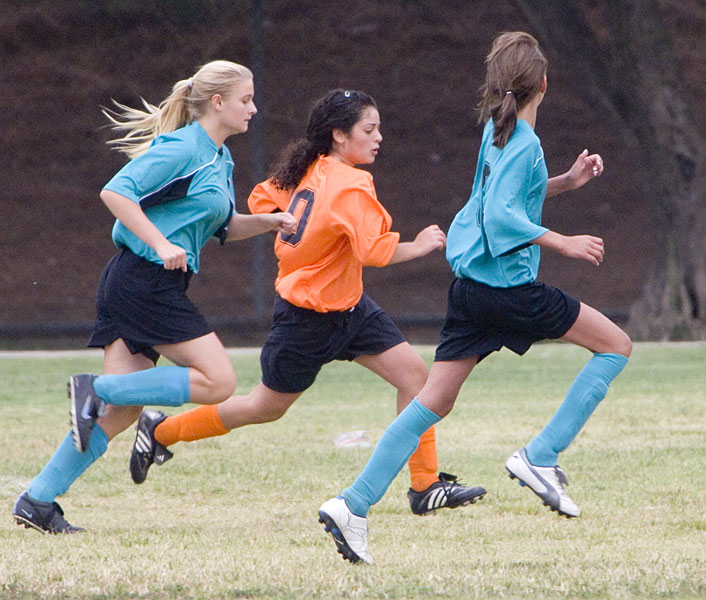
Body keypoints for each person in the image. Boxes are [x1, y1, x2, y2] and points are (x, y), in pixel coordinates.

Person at [318, 32, 633, 564]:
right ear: (544, 84)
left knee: (432, 402)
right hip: (507, 291)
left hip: (470, 289)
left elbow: (505, 197)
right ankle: (541, 455)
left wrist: (566, 182)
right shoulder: (522, 139)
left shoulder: (498, 128)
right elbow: (501, 216)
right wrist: (563, 241)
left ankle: (352, 503)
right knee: (615, 346)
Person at [128, 89, 486, 517]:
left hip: (350, 308)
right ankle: (162, 430)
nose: (378, 138)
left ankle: (425, 486)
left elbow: (263, 199)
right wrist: (419, 245)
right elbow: (374, 252)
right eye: (369, 130)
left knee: (415, 378)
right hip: (305, 320)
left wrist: (308, 229)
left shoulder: (311, 168)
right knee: (264, 407)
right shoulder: (351, 183)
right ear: (339, 135)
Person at [12, 60, 297, 535]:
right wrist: (162, 244)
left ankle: (37, 500)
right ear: (217, 102)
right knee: (218, 382)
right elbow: (116, 192)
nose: (254, 108)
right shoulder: (184, 147)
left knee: (121, 413)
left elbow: (221, 226)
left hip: (146, 283)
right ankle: (95, 388)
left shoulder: (219, 157)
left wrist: (267, 223)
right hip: (142, 282)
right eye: (246, 99)